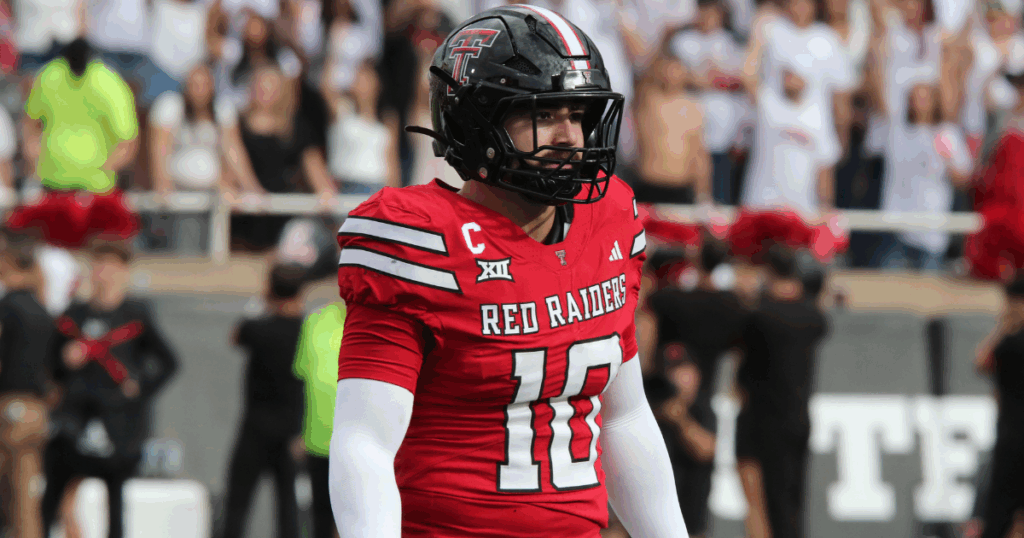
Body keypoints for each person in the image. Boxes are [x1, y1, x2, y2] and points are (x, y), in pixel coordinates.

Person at [330, 6, 687, 537]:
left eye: (579, 113)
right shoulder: (423, 242)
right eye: (544, 114)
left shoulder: (609, 221)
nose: (571, 136)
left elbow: (624, 416)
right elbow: (365, 443)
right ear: (477, 120)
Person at [42, 240, 179, 538]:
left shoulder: (135, 315)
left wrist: (138, 388)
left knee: (115, 503)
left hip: (118, 422)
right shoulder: (74, 315)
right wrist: (65, 361)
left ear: (124, 271)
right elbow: (50, 363)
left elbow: (169, 363)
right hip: (75, 419)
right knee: (53, 494)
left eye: (111, 266)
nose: (103, 273)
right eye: (98, 264)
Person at [640, 236, 747, 538]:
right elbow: (740, 346)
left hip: (663, 398)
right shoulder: (731, 304)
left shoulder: (669, 300)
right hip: (700, 397)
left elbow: (645, 341)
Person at [735, 245, 829, 538]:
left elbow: (741, 355)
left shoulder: (760, 317)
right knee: (792, 502)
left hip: (764, 420)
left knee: (768, 505)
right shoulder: (811, 316)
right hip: (798, 419)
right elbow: (820, 317)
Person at [13, 37, 140, 250]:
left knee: (98, 257)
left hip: (97, 192)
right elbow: (29, 124)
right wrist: (34, 157)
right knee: (54, 256)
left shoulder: (105, 81)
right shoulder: (52, 76)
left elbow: (128, 142)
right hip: (54, 186)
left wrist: (101, 169)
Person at [217, 263, 307, 538]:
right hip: (292, 432)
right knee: (288, 510)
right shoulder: (305, 331)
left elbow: (235, 336)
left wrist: (262, 301)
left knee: (237, 506)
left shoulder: (257, 329)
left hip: (254, 428)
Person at [0, 229, 59, 538]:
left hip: (9, 409)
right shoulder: (42, 309)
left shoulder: (9, 307)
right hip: (37, 412)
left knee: (12, 499)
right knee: (26, 499)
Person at [974, 275, 1024, 538]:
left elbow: (982, 362)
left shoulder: (1010, 340)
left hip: (1012, 442)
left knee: (1001, 518)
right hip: (1010, 440)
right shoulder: (1009, 340)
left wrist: (1003, 327)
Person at [293, 302, 346, 538]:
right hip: (320, 440)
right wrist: (298, 432)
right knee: (322, 519)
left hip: (368, 443)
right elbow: (300, 381)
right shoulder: (315, 321)